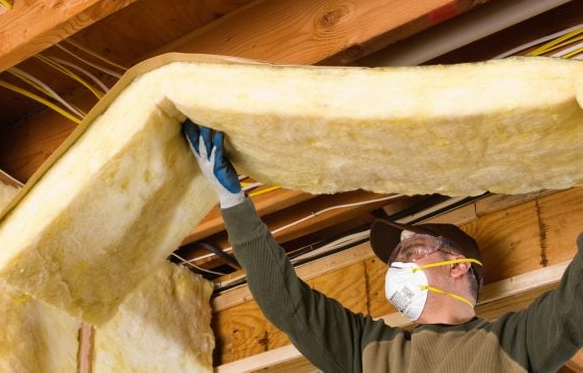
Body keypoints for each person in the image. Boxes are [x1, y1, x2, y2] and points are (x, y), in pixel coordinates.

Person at [183, 120, 583, 373]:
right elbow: (287, 304)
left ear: (459, 265)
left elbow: (576, 303)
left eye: (412, 252)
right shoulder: (369, 350)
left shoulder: (514, 343)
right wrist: (233, 203)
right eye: (395, 261)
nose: (398, 267)